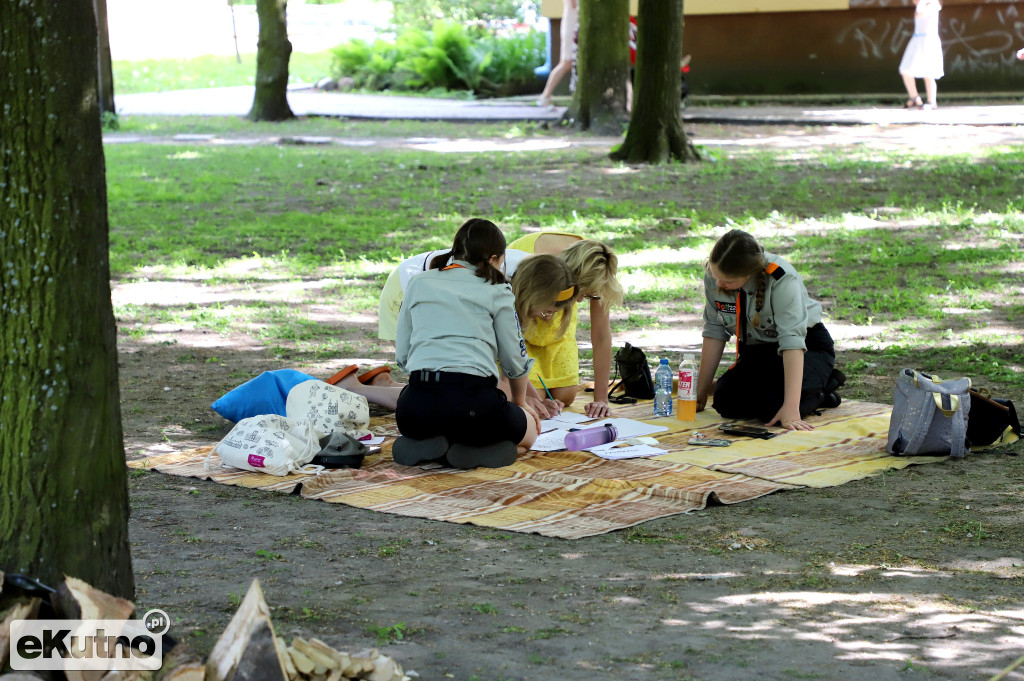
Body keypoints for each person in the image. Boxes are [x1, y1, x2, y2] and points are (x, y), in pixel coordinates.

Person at [379, 231, 624, 419]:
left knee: (472, 391)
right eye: (550, 309)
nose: (578, 303)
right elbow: (494, 349)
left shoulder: (535, 279)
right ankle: (359, 389)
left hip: (443, 297)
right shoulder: (507, 284)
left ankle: (382, 385)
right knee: (443, 394)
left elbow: (511, 351)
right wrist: (522, 400)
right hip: (409, 291)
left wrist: (526, 397)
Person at [392, 218, 540, 469]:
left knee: (438, 416)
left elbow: (404, 355)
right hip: (474, 406)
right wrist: (521, 402)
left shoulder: (419, 282)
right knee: (530, 433)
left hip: (414, 409)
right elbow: (514, 358)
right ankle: (474, 450)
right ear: (494, 258)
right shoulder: (497, 288)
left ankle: (437, 447)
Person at [694, 229, 844, 432]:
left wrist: (791, 409)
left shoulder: (781, 278)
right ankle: (797, 391)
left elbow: (792, 341)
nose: (718, 284)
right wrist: (700, 392)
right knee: (725, 401)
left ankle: (823, 387)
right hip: (759, 350)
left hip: (805, 347)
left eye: (727, 282)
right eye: (715, 276)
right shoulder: (716, 272)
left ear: (749, 273)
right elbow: (715, 330)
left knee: (774, 409)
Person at [508, 233, 623, 418]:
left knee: (566, 395)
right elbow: (509, 333)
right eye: (580, 293)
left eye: (587, 296)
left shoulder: (598, 265)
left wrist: (601, 399)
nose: (577, 301)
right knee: (533, 397)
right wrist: (526, 396)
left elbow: (601, 335)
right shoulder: (529, 262)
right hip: (521, 320)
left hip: (554, 322)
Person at [898, 0, 943, 110]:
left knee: (928, 73)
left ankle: (932, 101)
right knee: (905, 69)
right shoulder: (924, 4)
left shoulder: (932, 4)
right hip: (917, 40)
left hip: (928, 40)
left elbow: (921, 14)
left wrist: (923, 5)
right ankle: (914, 98)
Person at [536, 0, 578, 109]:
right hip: (572, 27)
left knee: (568, 63)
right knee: (566, 63)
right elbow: (575, 6)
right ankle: (545, 96)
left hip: (573, 25)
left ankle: (545, 97)